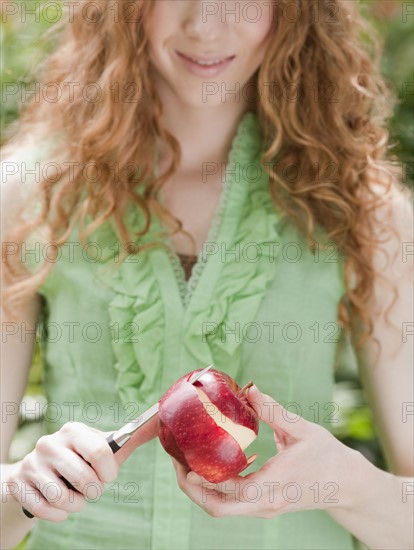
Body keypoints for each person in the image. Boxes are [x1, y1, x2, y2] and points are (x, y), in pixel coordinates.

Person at [1, 1, 413, 549]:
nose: (205, 25)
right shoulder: (30, 190)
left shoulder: (366, 208)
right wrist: (20, 491)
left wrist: (346, 483)